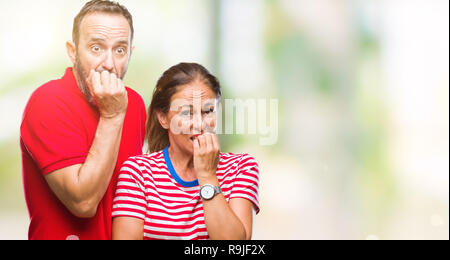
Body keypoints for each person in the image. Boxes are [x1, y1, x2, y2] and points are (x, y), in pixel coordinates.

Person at [20, 0, 146, 240]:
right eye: (96, 48)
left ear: (130, 52)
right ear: (73, 51)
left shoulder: (135, 104)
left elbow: (133, 197)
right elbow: (83, 202)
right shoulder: (48, 101)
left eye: (119, 50)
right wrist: (112, 115)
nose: (109, 64)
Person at [111, 63, 260, 240]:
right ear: (163, 118)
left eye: (208, 111)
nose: (199, 123)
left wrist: (207, 177)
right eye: (187, 113)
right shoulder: (138, 172)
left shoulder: (241, 168)